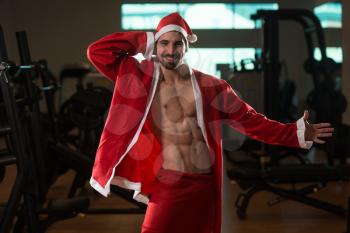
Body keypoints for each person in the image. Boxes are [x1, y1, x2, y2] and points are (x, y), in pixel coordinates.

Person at [87, 12, 333, 233]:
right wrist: (145, 39)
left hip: (204, 183)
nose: (170, 50)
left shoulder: (211, 87)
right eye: (164, 43)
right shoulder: (138, 79)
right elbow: (98, 52)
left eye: (177, 43)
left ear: (187, 48)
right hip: (169, 181)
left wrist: (295, 134)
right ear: (155, 45)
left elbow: (250, 121)